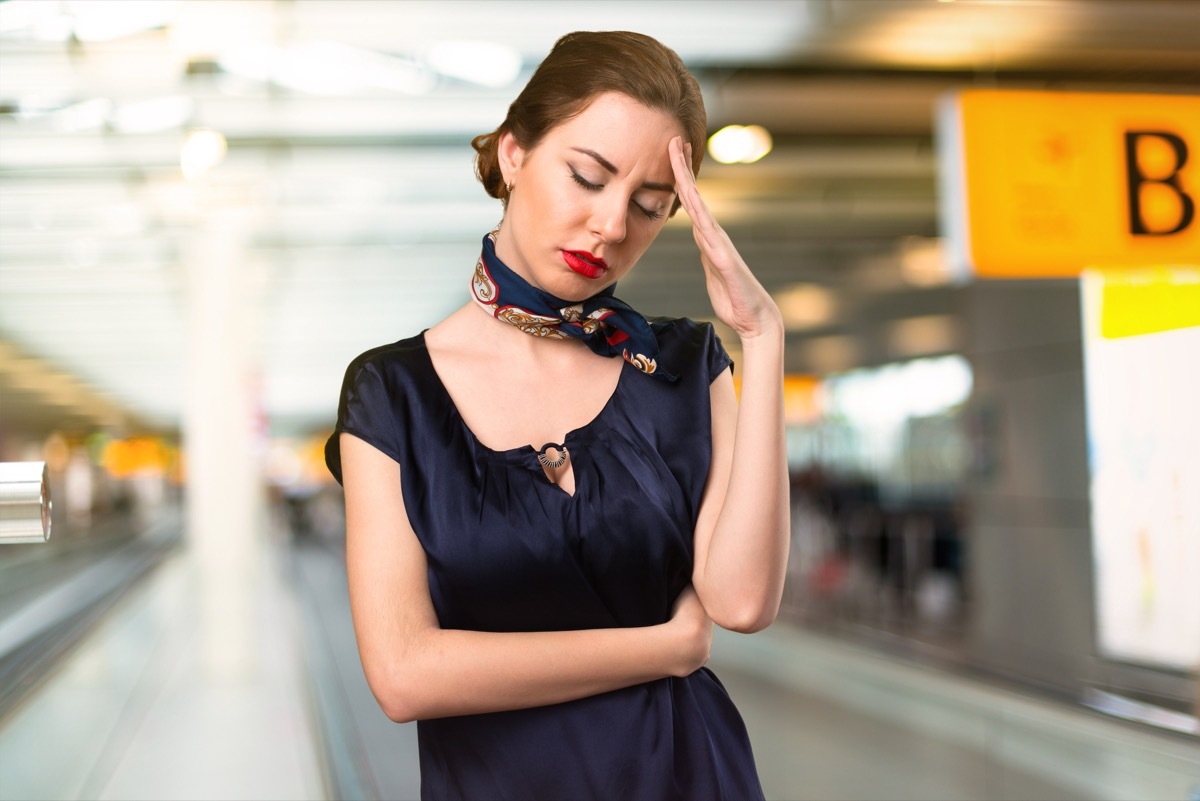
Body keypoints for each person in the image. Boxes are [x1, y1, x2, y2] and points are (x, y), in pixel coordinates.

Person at [325, 30, 789, 801]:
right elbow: (404, 675)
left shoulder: (680, 366)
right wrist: (662, 646)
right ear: (514, 154)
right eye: (587, 177)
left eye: (649, 206)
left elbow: (740, 600)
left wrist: (762, 337)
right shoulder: (391, 392)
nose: (612, 226)